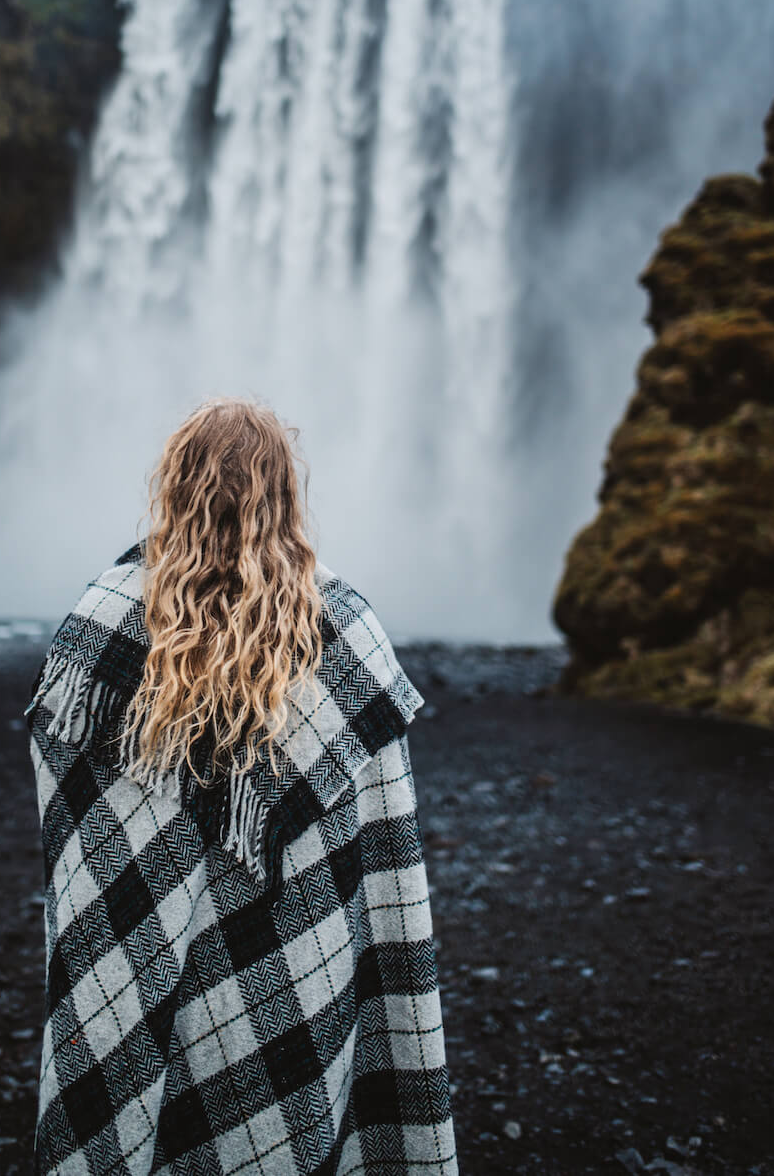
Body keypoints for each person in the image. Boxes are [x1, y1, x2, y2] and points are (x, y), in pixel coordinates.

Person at [26, 396, 461, 1175]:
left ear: (174, 482)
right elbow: (383, 837)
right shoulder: (346, 628)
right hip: (302, 954)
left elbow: (77, 827)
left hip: (139, 955)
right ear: (284, 492)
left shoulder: (100, 620)